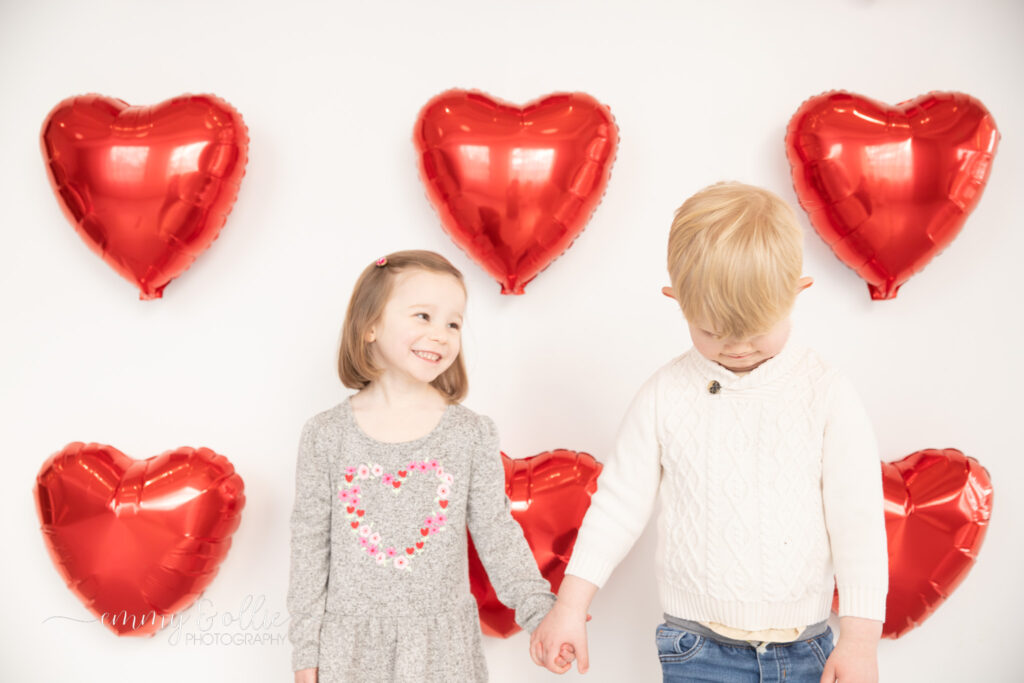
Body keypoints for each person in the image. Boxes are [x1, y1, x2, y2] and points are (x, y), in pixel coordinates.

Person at [531, 182, 889, 683]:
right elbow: (617, 505)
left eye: (755, 329)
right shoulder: (664, 395)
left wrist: (860, 642)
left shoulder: (826, 394)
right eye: (713, 331)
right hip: (699, 651)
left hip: (806, 651)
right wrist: (569, 605)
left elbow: (859, 525)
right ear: (677, 301)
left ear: (796, 293)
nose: (737, 347)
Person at [288, 250, 555, 683]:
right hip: (351, 651)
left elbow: (497, 533)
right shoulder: (326, 435)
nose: (441, 334)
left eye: (453, 323)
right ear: (370, 325)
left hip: (442, 651)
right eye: (423, 316)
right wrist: (306, 653)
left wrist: (540, 611)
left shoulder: (469, 434)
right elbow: (309, 550)